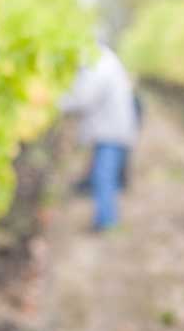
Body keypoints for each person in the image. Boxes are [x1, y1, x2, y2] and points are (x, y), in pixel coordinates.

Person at [58, 45, 139, 231]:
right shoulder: (105, 61)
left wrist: (57, 102)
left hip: (111, 132)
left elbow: (84, 97)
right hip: (112, 129)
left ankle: (107, 221)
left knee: (104, 176)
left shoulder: (100, 64)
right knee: (103, 174)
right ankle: (105, 219)